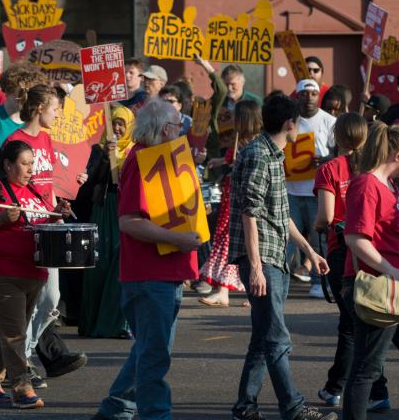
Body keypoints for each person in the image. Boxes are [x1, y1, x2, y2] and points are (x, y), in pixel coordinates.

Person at [228, 93, 336, 420]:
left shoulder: (271, 154)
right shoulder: (260, 155)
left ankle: (245, 407)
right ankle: (293, 407)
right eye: (296, 125)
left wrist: (308, 249)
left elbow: (280, 213)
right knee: (276, 336)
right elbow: (250, 212)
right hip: (263, 258)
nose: (296, 129)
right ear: (289, 124)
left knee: (263, 337)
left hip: (274, 253)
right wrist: (257, 267)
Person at [93, 100, 203, 420]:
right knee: (155, 354)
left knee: (149, 350)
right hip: (149, 275)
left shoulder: (160, 159)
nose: (180, 131)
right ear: (162, 129)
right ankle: (156, 414)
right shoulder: (142, 160)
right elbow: (129, 221)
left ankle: (116, 408)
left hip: (166, 272)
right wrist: (179, 239)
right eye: (176, 127)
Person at [342, 122, 399, 420]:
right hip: (379, 285)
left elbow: (390, 228)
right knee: (366, 369)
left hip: (398, 285)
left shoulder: (390, 186)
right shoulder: (367, 184)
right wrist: (393, 271)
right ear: (398, 155)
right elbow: (355, 238)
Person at [0, 140, 71, 409]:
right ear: (7, 164)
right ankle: (21, 387)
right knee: (14, 334)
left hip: (32, 273)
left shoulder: (34, 191)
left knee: (6, 332)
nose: (30, 169)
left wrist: (55, 215)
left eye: (32, 164)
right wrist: (1, 219)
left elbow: (36, 222)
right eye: (24, 164)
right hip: (0, 273)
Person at [4, 84, 87, 389]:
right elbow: (11, 182)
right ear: (40, 109)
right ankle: (23, 362)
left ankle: (25, 354)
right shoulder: (15, 140)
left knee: (52, 297)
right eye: (54, 108)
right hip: (27, 227)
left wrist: (59, 205)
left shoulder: (47, 139)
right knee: (30, 298)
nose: (58, 114)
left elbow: (47, 183)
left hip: (48, 224)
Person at [314, 113, 391, 411]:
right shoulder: (373, 168)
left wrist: (317, 228)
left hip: (342, 247)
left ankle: (366, 389)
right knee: (360, 320)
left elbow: (325, 216)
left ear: (337, 137)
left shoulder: (330, 168)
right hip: (372, 248)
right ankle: (338, 385)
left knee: (353, 324)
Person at [78, 105, 135, 338]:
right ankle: (93, 323)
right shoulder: (97, 150)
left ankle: (118, 324)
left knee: (119, 265)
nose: (119, 128)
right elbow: (91, 180)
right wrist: (105, 157)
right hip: (105, 209)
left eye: (122, 123)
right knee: (99, 265)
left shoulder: (135, 150)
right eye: (115, 123)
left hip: (125, 210)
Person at [198, 100, 262, 307]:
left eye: (236, 117)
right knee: (227, 237)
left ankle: (249, 291)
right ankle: (223, 290)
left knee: (245, 242)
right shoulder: (238, 138)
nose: (233, 121)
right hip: (231, 193)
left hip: (246, 197)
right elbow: (230, 159)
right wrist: (220, 161)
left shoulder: (259, 143)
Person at [285, 79, 336, 298]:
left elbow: (339, 152)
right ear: (297, 95)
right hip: (291, 191)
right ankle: (280, 282)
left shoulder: (329, 121)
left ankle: (319, 281)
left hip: (317, 192)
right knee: (286, 240)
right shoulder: (290, 121)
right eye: (304, 94)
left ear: (319, 96)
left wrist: (324, 160)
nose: (309, 97)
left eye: (313, 93)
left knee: (319, 239)